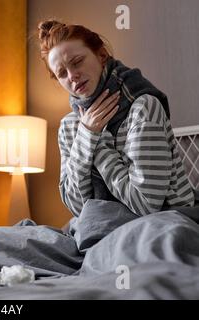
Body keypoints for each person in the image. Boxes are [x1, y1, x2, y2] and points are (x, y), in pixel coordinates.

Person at [37, 20, 194, 217]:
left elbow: (146, 205)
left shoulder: (144, 107)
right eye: (61, 73)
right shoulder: (70, 126)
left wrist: (96, 141)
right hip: (99, 227)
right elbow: (78, 208)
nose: (72, 76)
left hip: (164, 220)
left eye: (77, 62)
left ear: (101, 55)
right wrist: (85, 134)